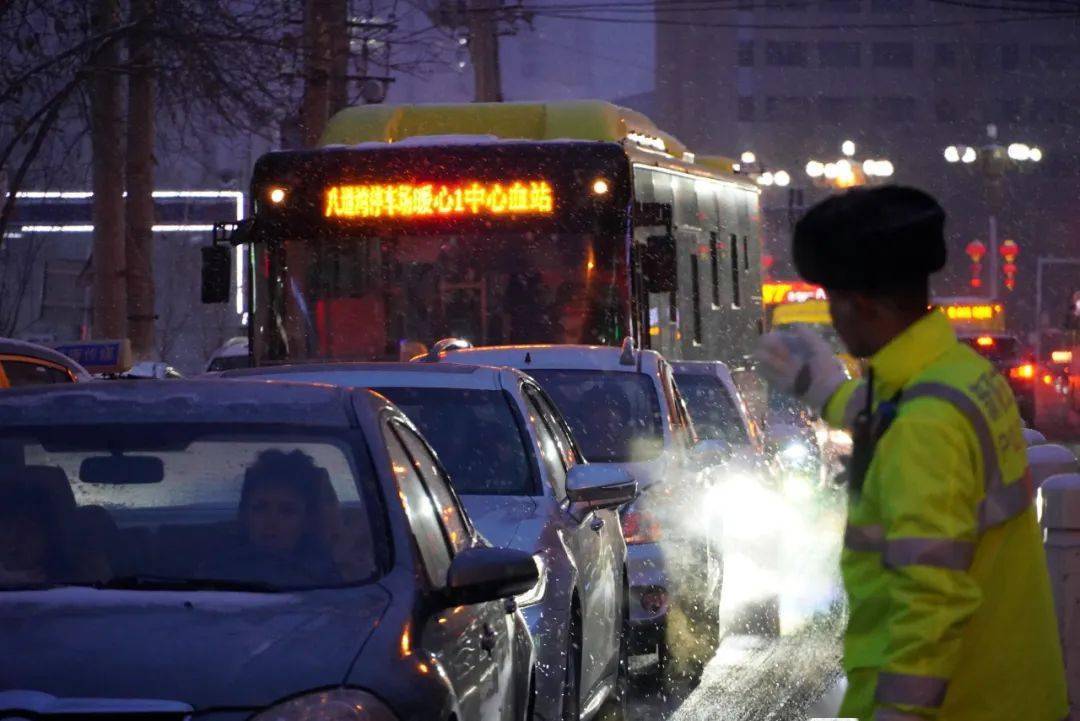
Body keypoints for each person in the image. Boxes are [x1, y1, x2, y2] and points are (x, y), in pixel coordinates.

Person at [754, 186, 1067, 721]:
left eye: (834, 301)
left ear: (865, 305)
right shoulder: (958, 377)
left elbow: (931, 600)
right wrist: (831, 395)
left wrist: (898, 712)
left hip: (964, 707)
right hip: (1012, 692)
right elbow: (907, 426)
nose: (833, 318)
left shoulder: (925, 422)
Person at [206, 450, 340, 587]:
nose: (271, 522)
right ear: (246, 515)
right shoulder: (217, 573)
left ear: (307, 521)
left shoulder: (328, 576)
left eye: (287, 511)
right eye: (260, 508)